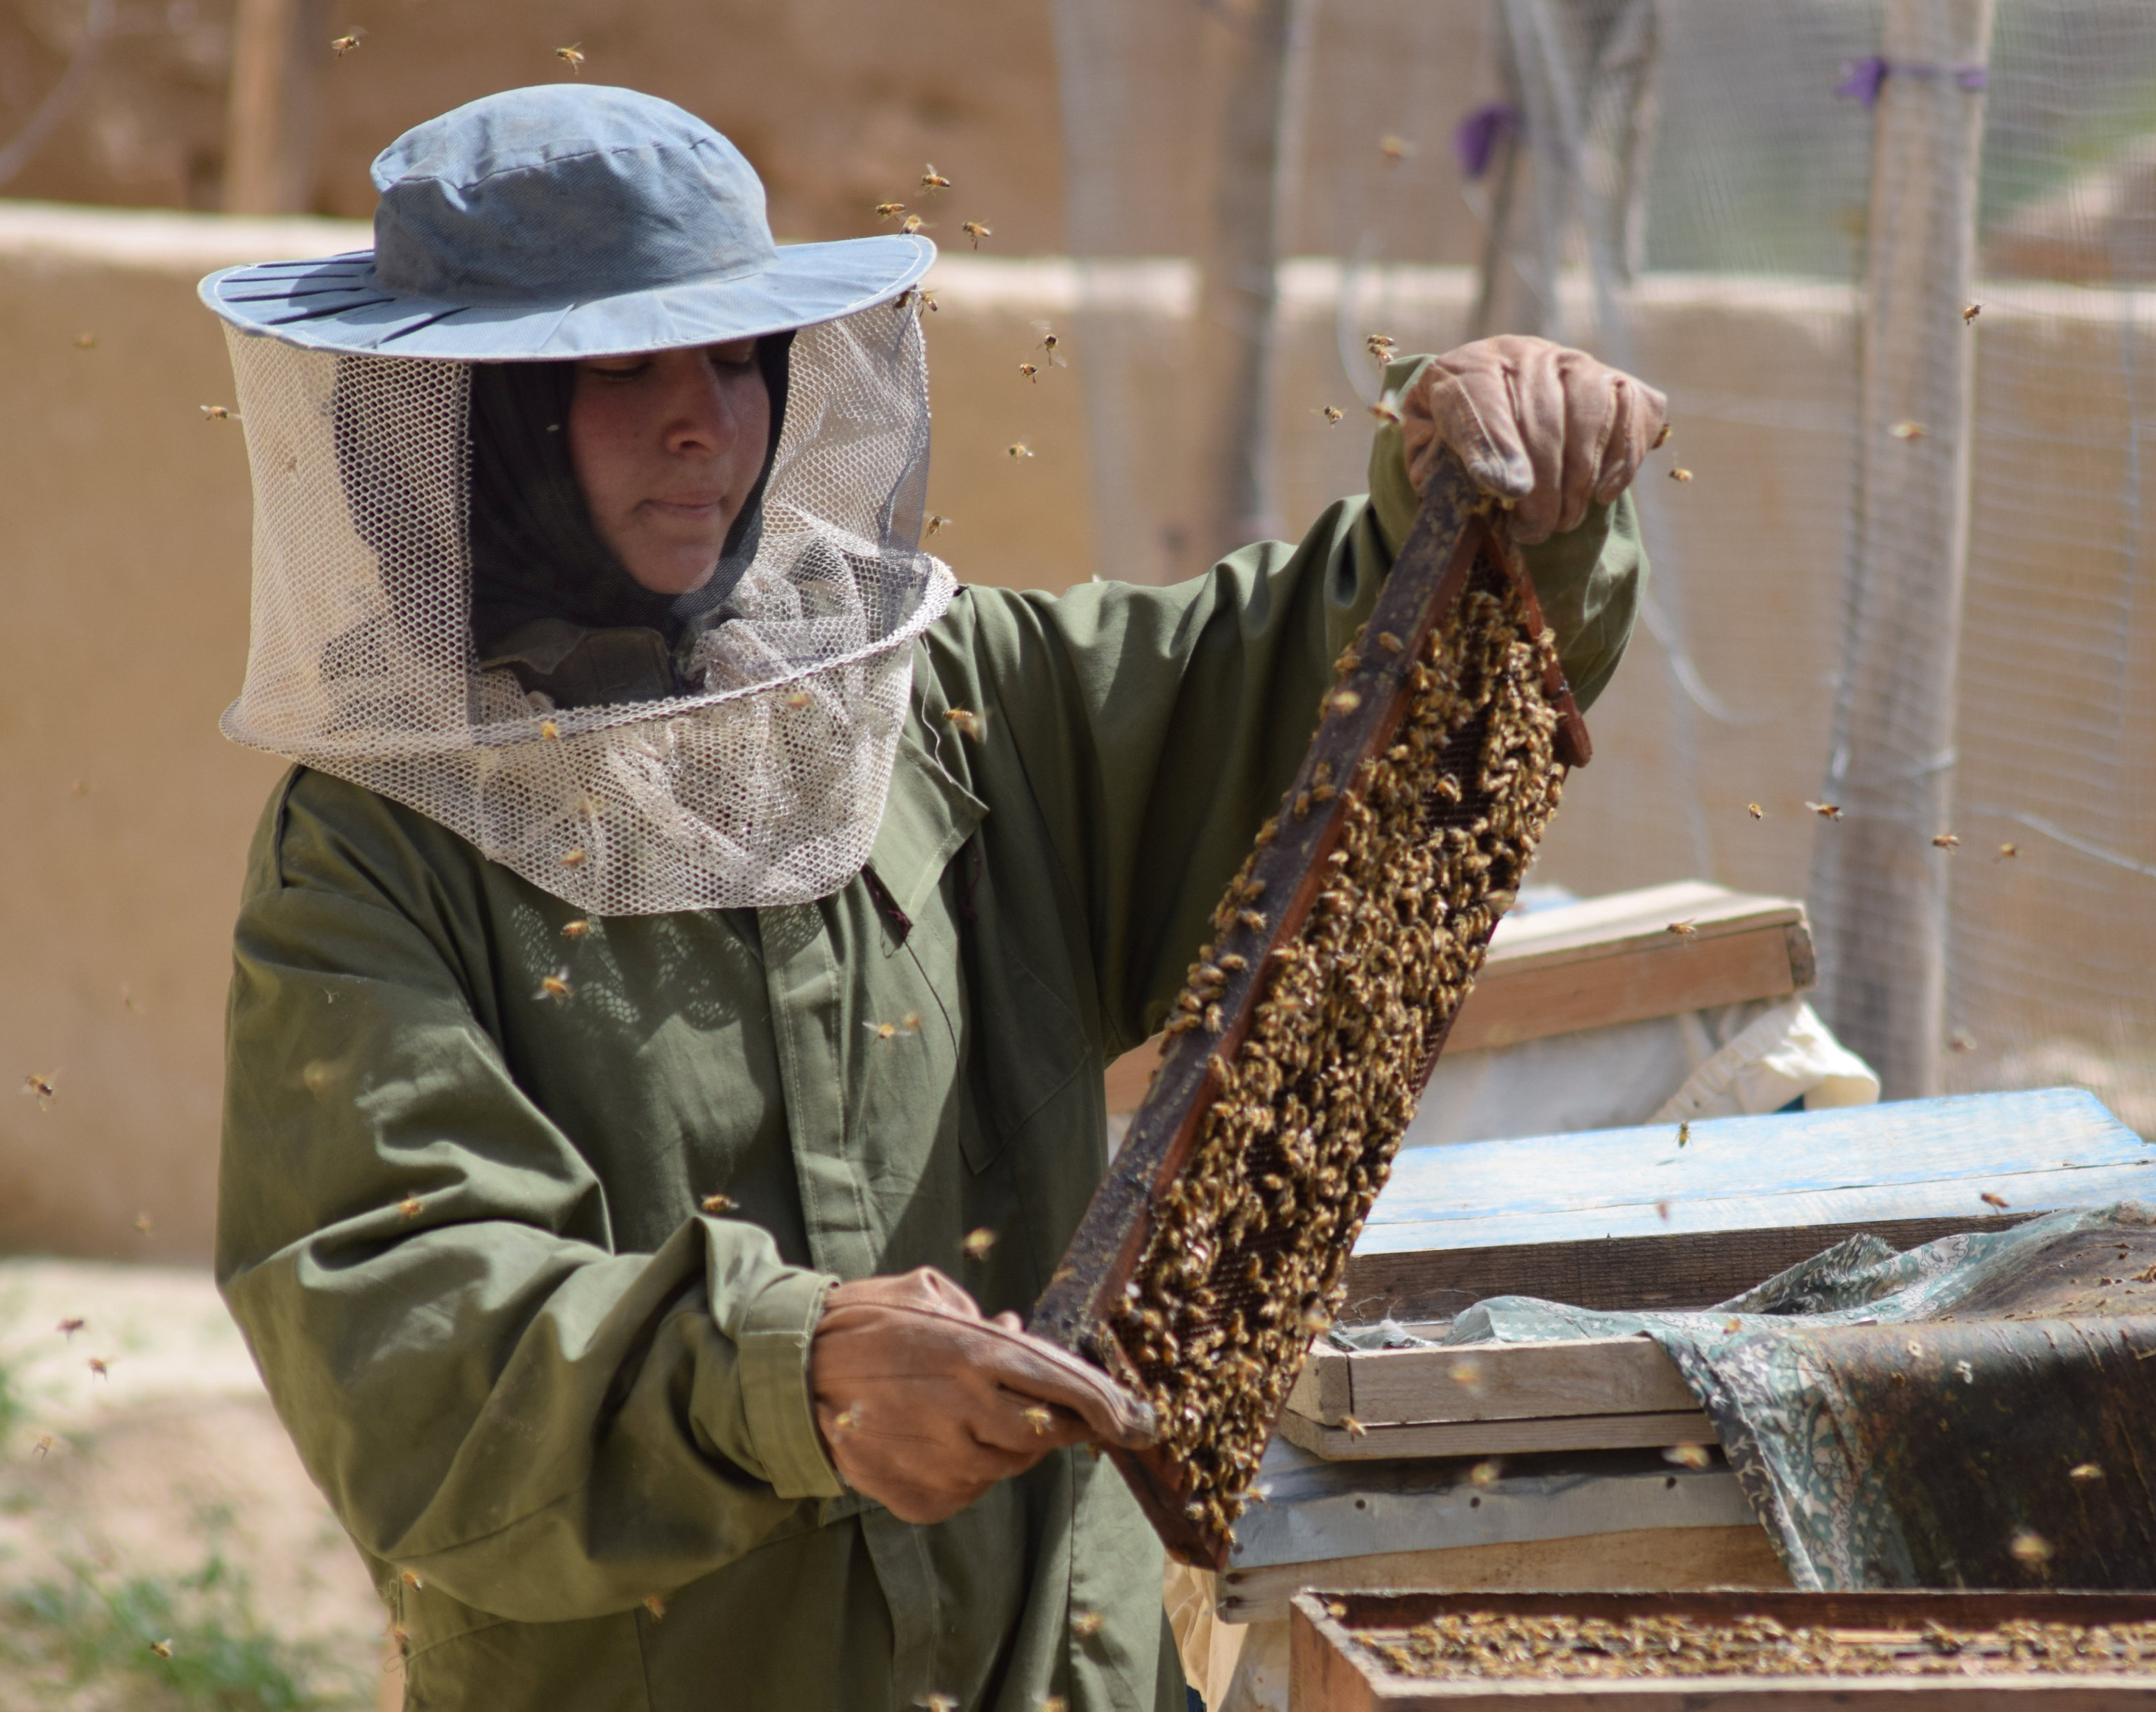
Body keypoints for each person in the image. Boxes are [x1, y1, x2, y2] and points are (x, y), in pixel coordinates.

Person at [204, 84, 1666, 1711]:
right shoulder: (374, 850)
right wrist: (788, 1373)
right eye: (620, 369)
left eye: (735, 358)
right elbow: (406, 1332)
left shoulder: (947, 694)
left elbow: (1308, 704)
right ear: (468, 423)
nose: (707, 422)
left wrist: (1473, 503)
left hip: (1060, 1666)